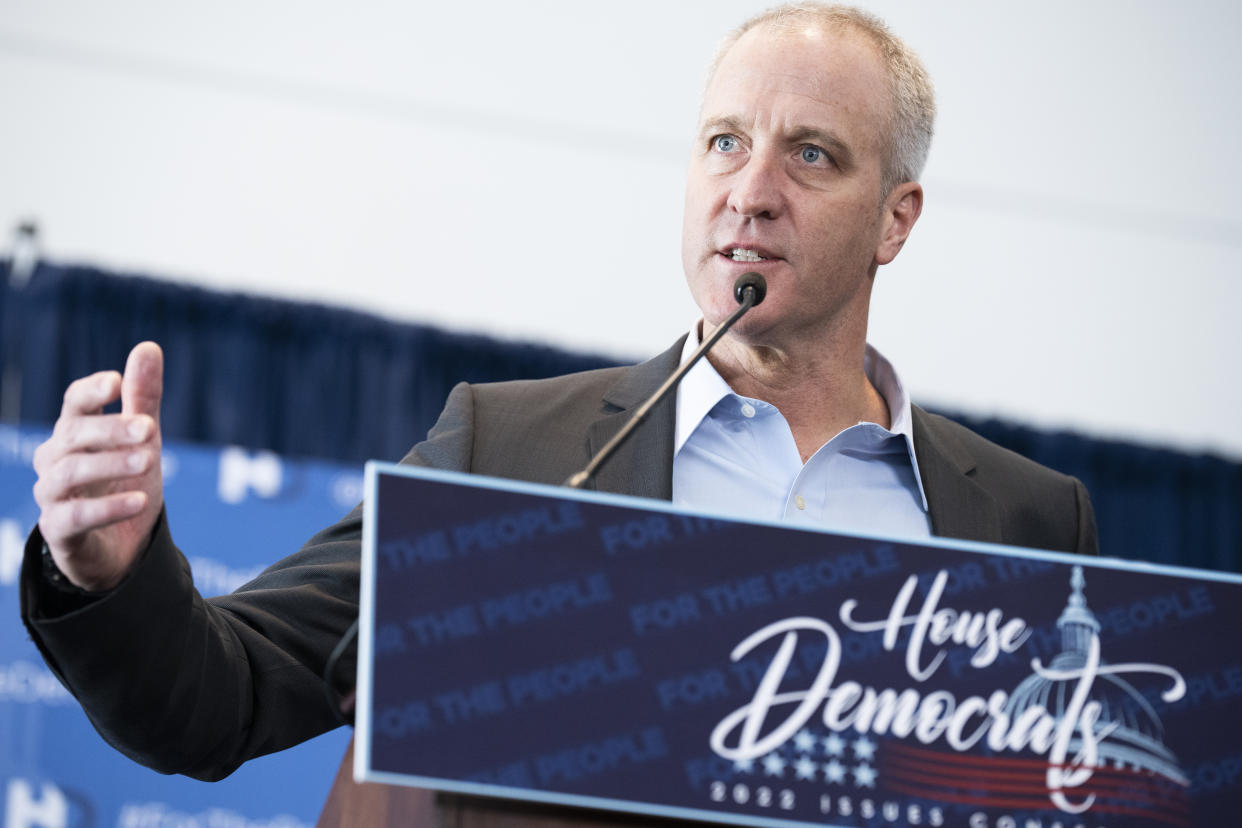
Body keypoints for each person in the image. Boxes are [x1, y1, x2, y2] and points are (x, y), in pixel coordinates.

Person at [20, 3, 1096, 783]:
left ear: (896, 219)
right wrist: (107, 574)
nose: (749, 192)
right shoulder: (511, 447)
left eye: (810, 156)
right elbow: (225, 693)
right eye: (724, 142)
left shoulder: (1031, 520)